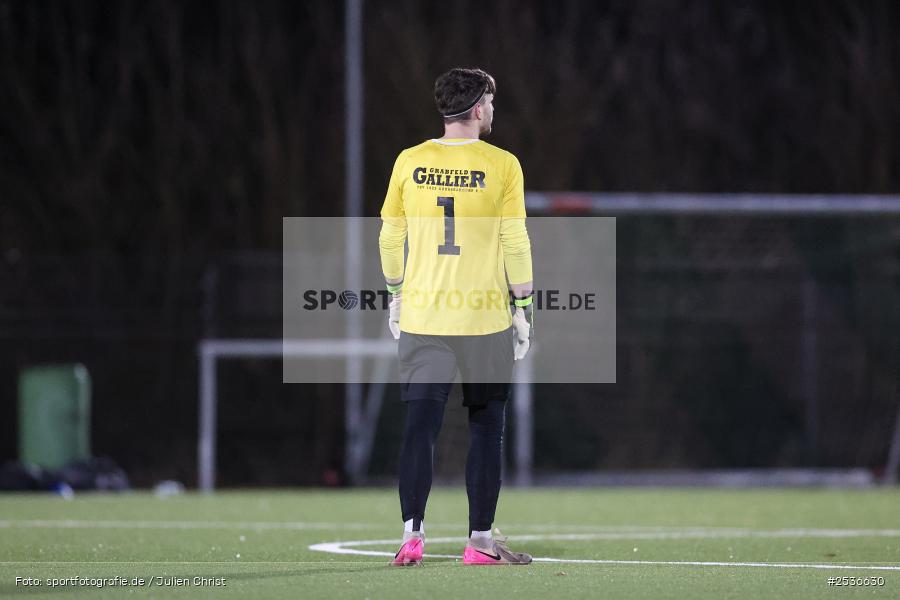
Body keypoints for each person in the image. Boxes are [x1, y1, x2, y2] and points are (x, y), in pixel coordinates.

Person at [378, 67, 534, 566]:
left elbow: (389, 236)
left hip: (424, 319)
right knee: (486, 427)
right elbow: (515, 239)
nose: (493, 110)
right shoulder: (503, 164)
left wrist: (395, 293)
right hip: (484, 321)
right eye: (490, 101)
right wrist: (524, 306)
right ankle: (480, 542)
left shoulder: (409, 160)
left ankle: (412, 534)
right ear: (477, 108)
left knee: (419, 426)